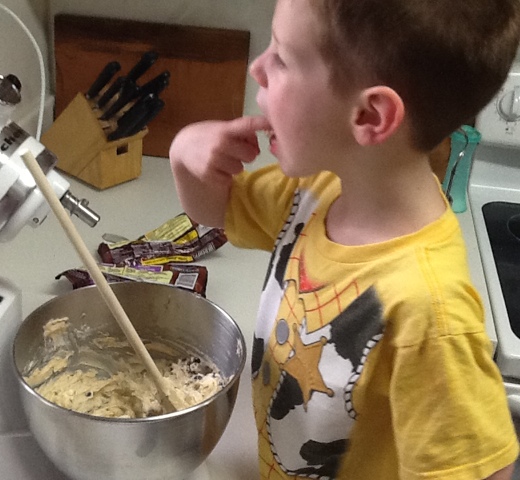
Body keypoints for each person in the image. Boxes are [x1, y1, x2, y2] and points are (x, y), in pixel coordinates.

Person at [169, 0, 520, 479]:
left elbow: (485, 469)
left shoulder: (427, 311)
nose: (257, 68)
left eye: (282, 57)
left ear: (370, 116)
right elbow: (216, 211)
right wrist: (184, 153)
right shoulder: (319, 192)